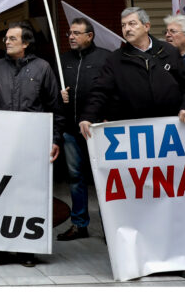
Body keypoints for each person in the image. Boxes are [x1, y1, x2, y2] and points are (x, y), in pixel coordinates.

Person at [80, 7, 185, 279]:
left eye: (132, 23)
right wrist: (88, 116)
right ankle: (144, 258)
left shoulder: (167, 53)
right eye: (123, 25)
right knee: (142, 200)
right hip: (136, 143)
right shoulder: (115, 60)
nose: (126, 28)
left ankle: (180, 258)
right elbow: (100, 91)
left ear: (147, 26)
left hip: (169, 141)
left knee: (174, 199)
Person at [0, 21, 63, 269]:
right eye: (6, 38)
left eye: (12, 38)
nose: (7, 42)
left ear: (26, 43)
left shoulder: (43, 68)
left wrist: (55, 139)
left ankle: (26, 250)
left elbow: (55, 108)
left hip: (33, 145)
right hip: (1, 145)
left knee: (28, 198)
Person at [56, 18, 108, 241]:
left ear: (90, 36)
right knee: (76, 178)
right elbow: (50, 92)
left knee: (104, 179)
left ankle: (110, 227)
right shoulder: (62, 61)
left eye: (77, 33)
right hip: (70, 130)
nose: (71, 36)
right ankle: (79, 224)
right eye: (70, 33)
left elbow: (111, 91)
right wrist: (59, 95)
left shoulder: (105, 58)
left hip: (98, 130)